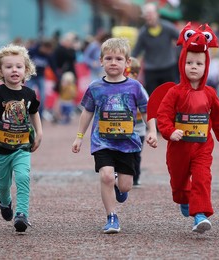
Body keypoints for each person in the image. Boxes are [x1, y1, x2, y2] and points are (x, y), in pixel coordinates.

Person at [148, 22, 219, 234]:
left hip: (202, 147)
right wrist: (169, 131)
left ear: (206, 68)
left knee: (202, 178)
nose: (194, 67)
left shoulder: (210, 93)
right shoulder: (174, 92)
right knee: (179, 184)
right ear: (182, 63)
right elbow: (163, 115)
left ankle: (200, 215)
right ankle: (183, 200)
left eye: (199, 64)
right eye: (190, 63)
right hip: (178, 148)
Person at [71, 38, 158, 234]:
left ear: (127, 63)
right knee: (107, 176)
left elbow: (147, 110)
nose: (113, 62)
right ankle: (112, 217)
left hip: (127, 143)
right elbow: (87, 112)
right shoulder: (95, 87)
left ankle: (120, 188)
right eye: (108, 58)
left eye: (118, 59)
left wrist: (152, 131)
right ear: (101, 61)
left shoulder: (135, 87)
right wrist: (79, 136)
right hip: (102, 141)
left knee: (125, 186)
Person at [0, 44, 43, 233]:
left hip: (22, 147)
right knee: (4, 183)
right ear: (0, 70)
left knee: (23, 177)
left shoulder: (29, 94)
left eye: (19, 66)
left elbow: (34, 112)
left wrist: (40, 133)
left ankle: (21, 214)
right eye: (9, 66)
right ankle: (5, 202)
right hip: (0, 149)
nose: (14, 70)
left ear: (26, 69)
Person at [132, 2, 180, 96]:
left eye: (151, 14)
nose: (149, 17)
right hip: (151, 70)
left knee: (170, 96)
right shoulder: (143, 33)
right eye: (147, 14)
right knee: (153, 97)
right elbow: (136, 52)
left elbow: (181, 39)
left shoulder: (168, 28)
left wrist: (181, 53)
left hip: (168, 67)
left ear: (157, 14)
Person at [125, 57, 155, 186]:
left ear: (135, 74)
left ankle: (135, 177)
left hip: (138, 129)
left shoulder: (140, 90)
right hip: (124, 129)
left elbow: (146, 109)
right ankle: (124, 175)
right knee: (123, 153)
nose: (124, 75)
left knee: (136, 153)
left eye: (127, 72)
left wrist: (151, 129)